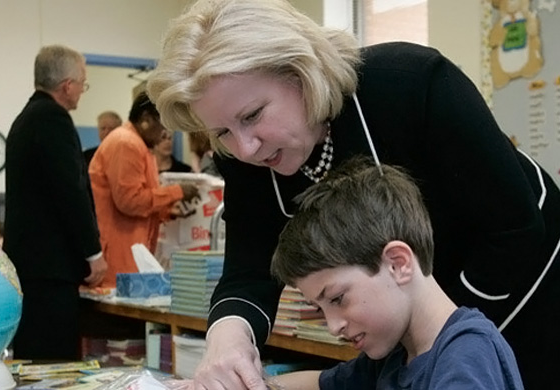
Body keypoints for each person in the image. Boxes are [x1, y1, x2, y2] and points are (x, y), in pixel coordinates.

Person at [146, 0, 560, 388]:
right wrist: (228, 337)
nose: (245, 148)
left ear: (301, 73)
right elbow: (248, 270)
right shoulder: (245, 154)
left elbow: (514, 230)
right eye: (222, 133)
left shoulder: (410, 83)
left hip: (526, 282)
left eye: (253, 115)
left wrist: (438, 340)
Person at [270, 157, 524, 389]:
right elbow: (321, 383)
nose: (334, 327)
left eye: (337, 299)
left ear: (397, 264)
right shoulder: (395, 356)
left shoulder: (467, 356)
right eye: (319, 308)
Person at [4, 44, 107, 360]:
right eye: (83, 83)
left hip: (29, 266)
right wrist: (93, 253)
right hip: (50, 269)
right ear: (67, 85)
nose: (82, 91)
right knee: (54, 362)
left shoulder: (25, 120)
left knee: (32, 357)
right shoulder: (53, 120)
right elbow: (71, 191)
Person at [88, 92, 199, 287]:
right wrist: (177, 191)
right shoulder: (126, 144)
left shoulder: (137, 145)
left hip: (127, 254)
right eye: (163, 126)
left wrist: (167, 212)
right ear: (146, 120)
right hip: (118, 258)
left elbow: (140, 201)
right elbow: (130, 201)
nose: (165, 134)